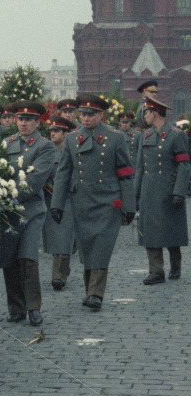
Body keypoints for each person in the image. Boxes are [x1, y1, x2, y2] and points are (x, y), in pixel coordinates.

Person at [50, 93, 136, 311]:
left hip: (108, 200)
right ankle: (91, 291)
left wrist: (129, 206)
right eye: (83, 114)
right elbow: (63, 173)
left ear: (101, 115)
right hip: (82, 201)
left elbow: (126, 173)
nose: (86, 119)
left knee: (102, 245)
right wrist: (57, 204)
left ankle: (96, 294)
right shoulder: (71, 139)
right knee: (88, 246)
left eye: (91, 114)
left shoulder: (115, 138)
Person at [0, 101, 55, 326]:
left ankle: (33, 308)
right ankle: (16, 307)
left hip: (31, 211)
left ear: (38, 122)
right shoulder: (6, 143)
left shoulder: (45, 146)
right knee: (9, 259)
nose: (24, 123)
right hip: (8, 211)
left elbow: (36, 179)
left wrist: (9, 194)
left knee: (28, 257)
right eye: (20, 119)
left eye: (29, 120)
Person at [134, 97, 190, 284]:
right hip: (149, 191)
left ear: (155, 113)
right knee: (150, 231)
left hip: (169, 191)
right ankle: (156, 271)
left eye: (146, 113)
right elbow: (140, 167)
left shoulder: (176, 135)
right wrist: (136, 194)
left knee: (171, 230)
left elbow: (184, 165)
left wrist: (179, 191)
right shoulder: (145, 136)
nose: (144, 116)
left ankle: (175, 264)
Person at [43, 115, 77, 290]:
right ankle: (62, 269)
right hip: (50, 199)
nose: (53, 133)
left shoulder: (72, 152)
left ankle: (58, 276)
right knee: (57, 238)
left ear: (66, 133)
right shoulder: (48, 151)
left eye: (57, 131)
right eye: (51, 131)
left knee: (63, 238)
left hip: (68, 199)